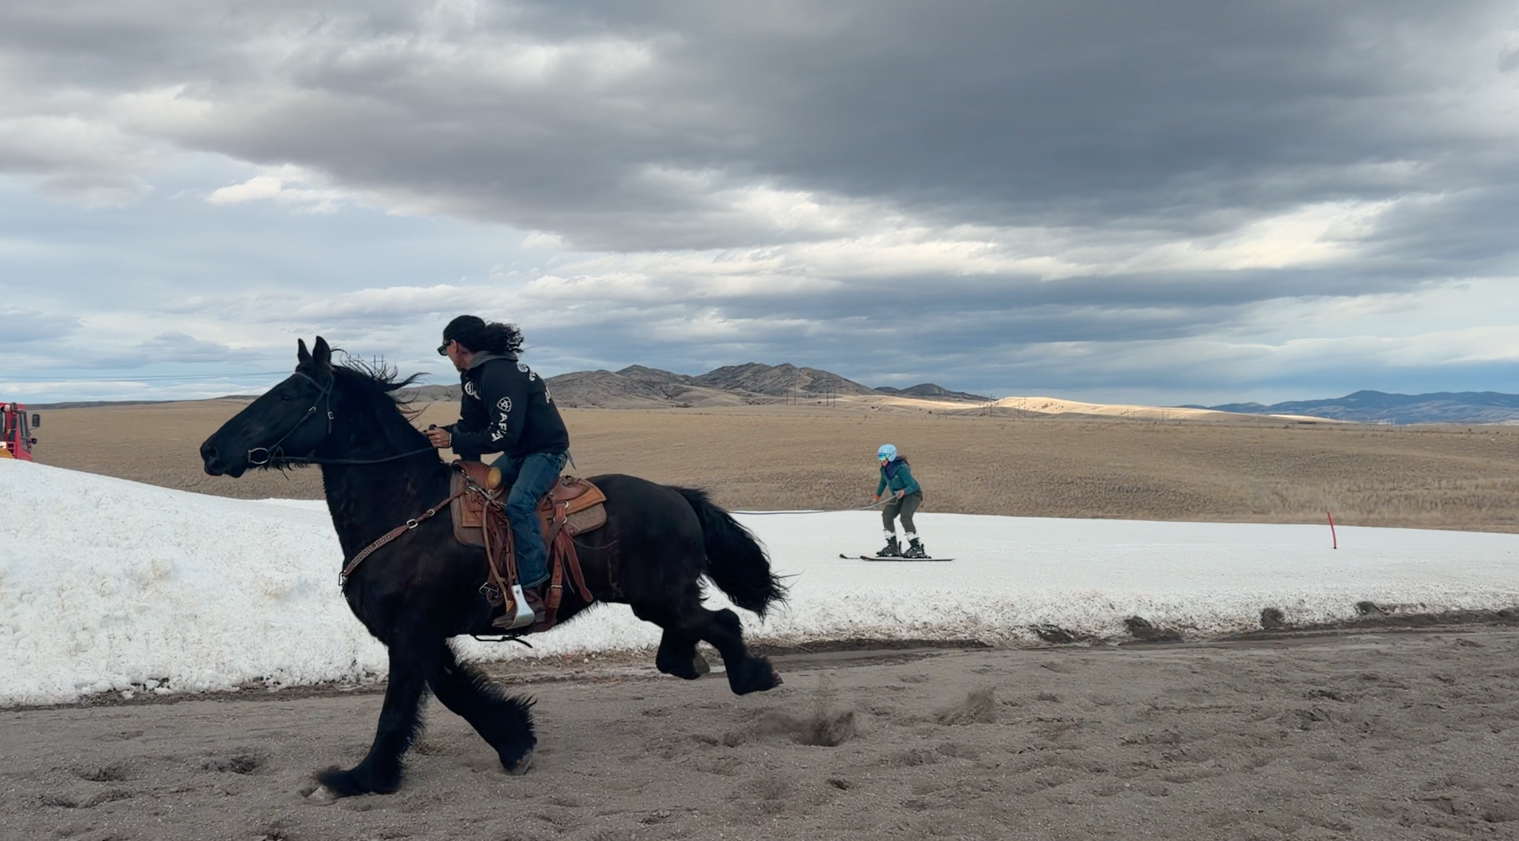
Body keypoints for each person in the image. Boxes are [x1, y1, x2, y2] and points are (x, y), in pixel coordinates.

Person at [426, 315, 570, 623]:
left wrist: (453, 438)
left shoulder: (499, 374)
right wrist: (445, 438)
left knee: (518, 504)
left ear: (455, 345)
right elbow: (471, 427)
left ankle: (532, 596)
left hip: (544, 452)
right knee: (480, 495)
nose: (446, 356)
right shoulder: (473, 376)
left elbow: (505, 435)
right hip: (519, 454)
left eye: (444, 350)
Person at [873, 444, 927, 558]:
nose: (881, 460)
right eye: (879, 457)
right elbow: (883, 482)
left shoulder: (902, 468)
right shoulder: (884, 469)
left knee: (905, 516)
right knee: (887, 515)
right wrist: (877, 496)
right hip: (898, 496)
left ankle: (916, 547)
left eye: (882, 457)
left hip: (912, 495)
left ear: (890, 456)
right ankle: (892, 547)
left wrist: (904, 491)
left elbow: (912, 485)